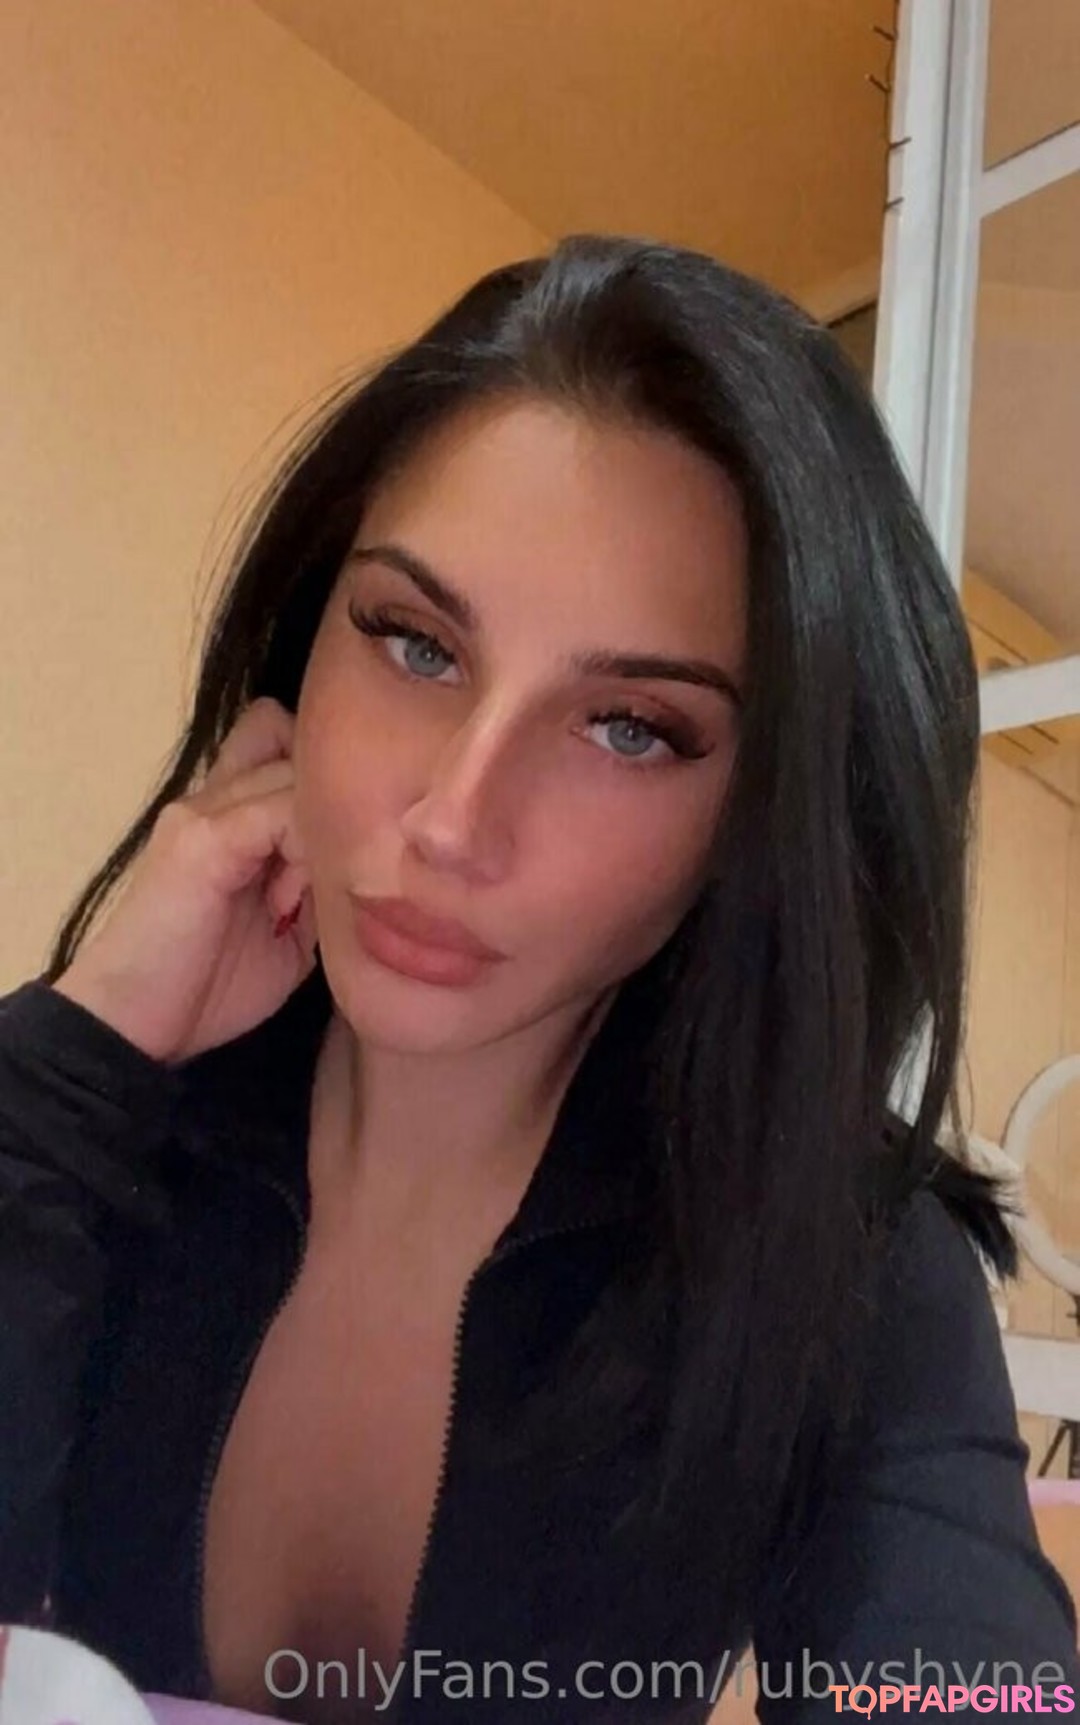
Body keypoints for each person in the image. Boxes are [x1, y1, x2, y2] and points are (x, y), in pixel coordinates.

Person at [0, 234, 1076, 1725]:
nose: (453, 818)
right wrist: (81, 1046)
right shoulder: (103, 1117)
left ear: (758, 818)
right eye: (414, 643)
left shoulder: (834, 1253)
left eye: (631, 727)